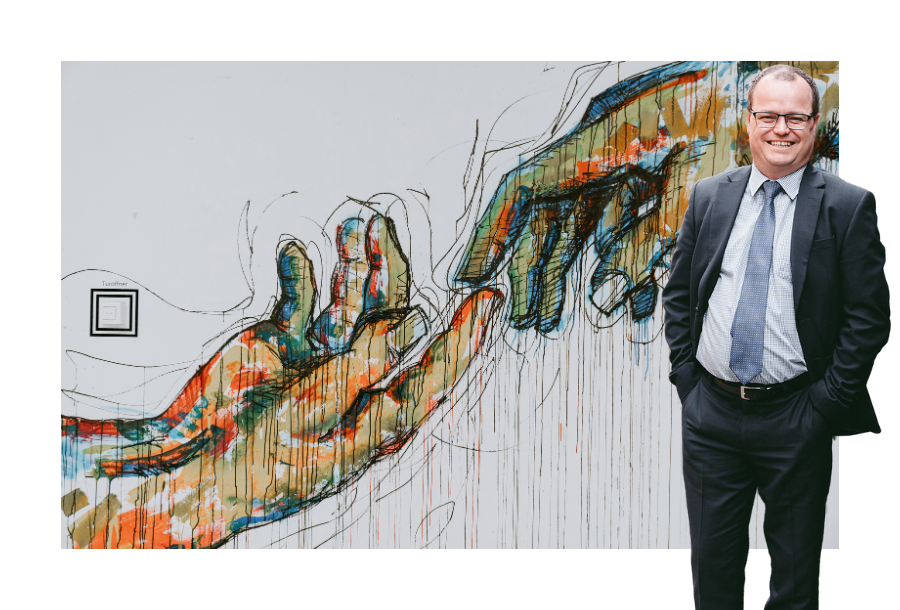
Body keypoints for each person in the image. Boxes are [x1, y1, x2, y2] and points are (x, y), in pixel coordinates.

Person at [662, 64, 890, 608]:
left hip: (796, 419)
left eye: (795, 117)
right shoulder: (710, 196)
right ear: (748, 122)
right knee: (713, 578)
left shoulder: (847, 205)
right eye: (768, 115)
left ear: (815, 124)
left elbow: (869, 318)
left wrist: (823, 406)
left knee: (793, 583)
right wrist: (688, 383)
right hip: (711, 417)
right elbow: (678, 296)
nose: (780, 128)